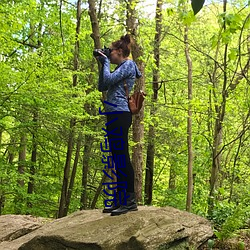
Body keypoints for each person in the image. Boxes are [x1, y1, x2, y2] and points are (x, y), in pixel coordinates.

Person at [96, 34, 142, 216]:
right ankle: (120, 199)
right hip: (113, 114)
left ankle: (129, 201)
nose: (109, 54)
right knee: (117, 158)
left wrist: (105, 62)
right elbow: (102, 85)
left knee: (122, 157)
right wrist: (103, 63)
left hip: (121, 114)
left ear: (120, 52)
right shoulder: (119, 69)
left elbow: (107, 81)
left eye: (111, 51)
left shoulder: (129, 65)